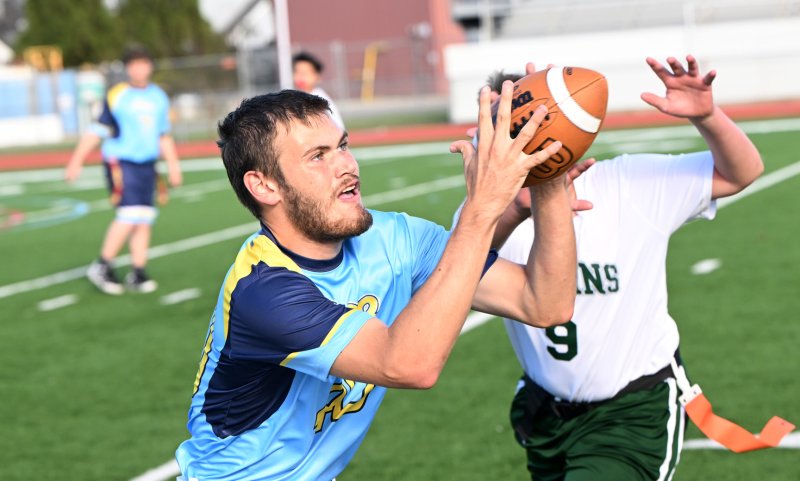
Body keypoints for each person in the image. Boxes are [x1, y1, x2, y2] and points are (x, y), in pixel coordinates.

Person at [176, 82, 578, 480]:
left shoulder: (394, 237)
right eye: (318, 156)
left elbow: (545, 304)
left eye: (342, 145)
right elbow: (409, 365)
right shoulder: (264, 291)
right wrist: (483, 207)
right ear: (264, 186)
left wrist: (549, 175)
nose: (346, 165)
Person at [485, 56, 763, 481]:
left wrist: (708, 117)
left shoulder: (628, 184)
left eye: (498, 126)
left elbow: (741, 172)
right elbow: (457, 277)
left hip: (632, 411)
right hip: (545, 413)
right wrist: (514, 211)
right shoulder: (487, 213)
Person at [65, 45, 182, 294]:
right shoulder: (117, 95)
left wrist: (174, 166)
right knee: (129, 214)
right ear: (127, 68)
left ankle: (138, 272)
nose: (139, 69)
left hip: (147, 164)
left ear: (150, 66)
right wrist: (76, 160)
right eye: (133, 64)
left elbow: (164, 135)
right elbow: (98, 130)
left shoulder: (159, 97)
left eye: (143, 63)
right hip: (121, 162)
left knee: (144, 217)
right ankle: (102, 266)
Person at [292, 51, 345, 129]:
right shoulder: (292, 97)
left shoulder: (320, 101)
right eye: (297, 71)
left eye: (305, 72)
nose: (301, 76)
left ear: (317, 76)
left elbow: (339, 129)